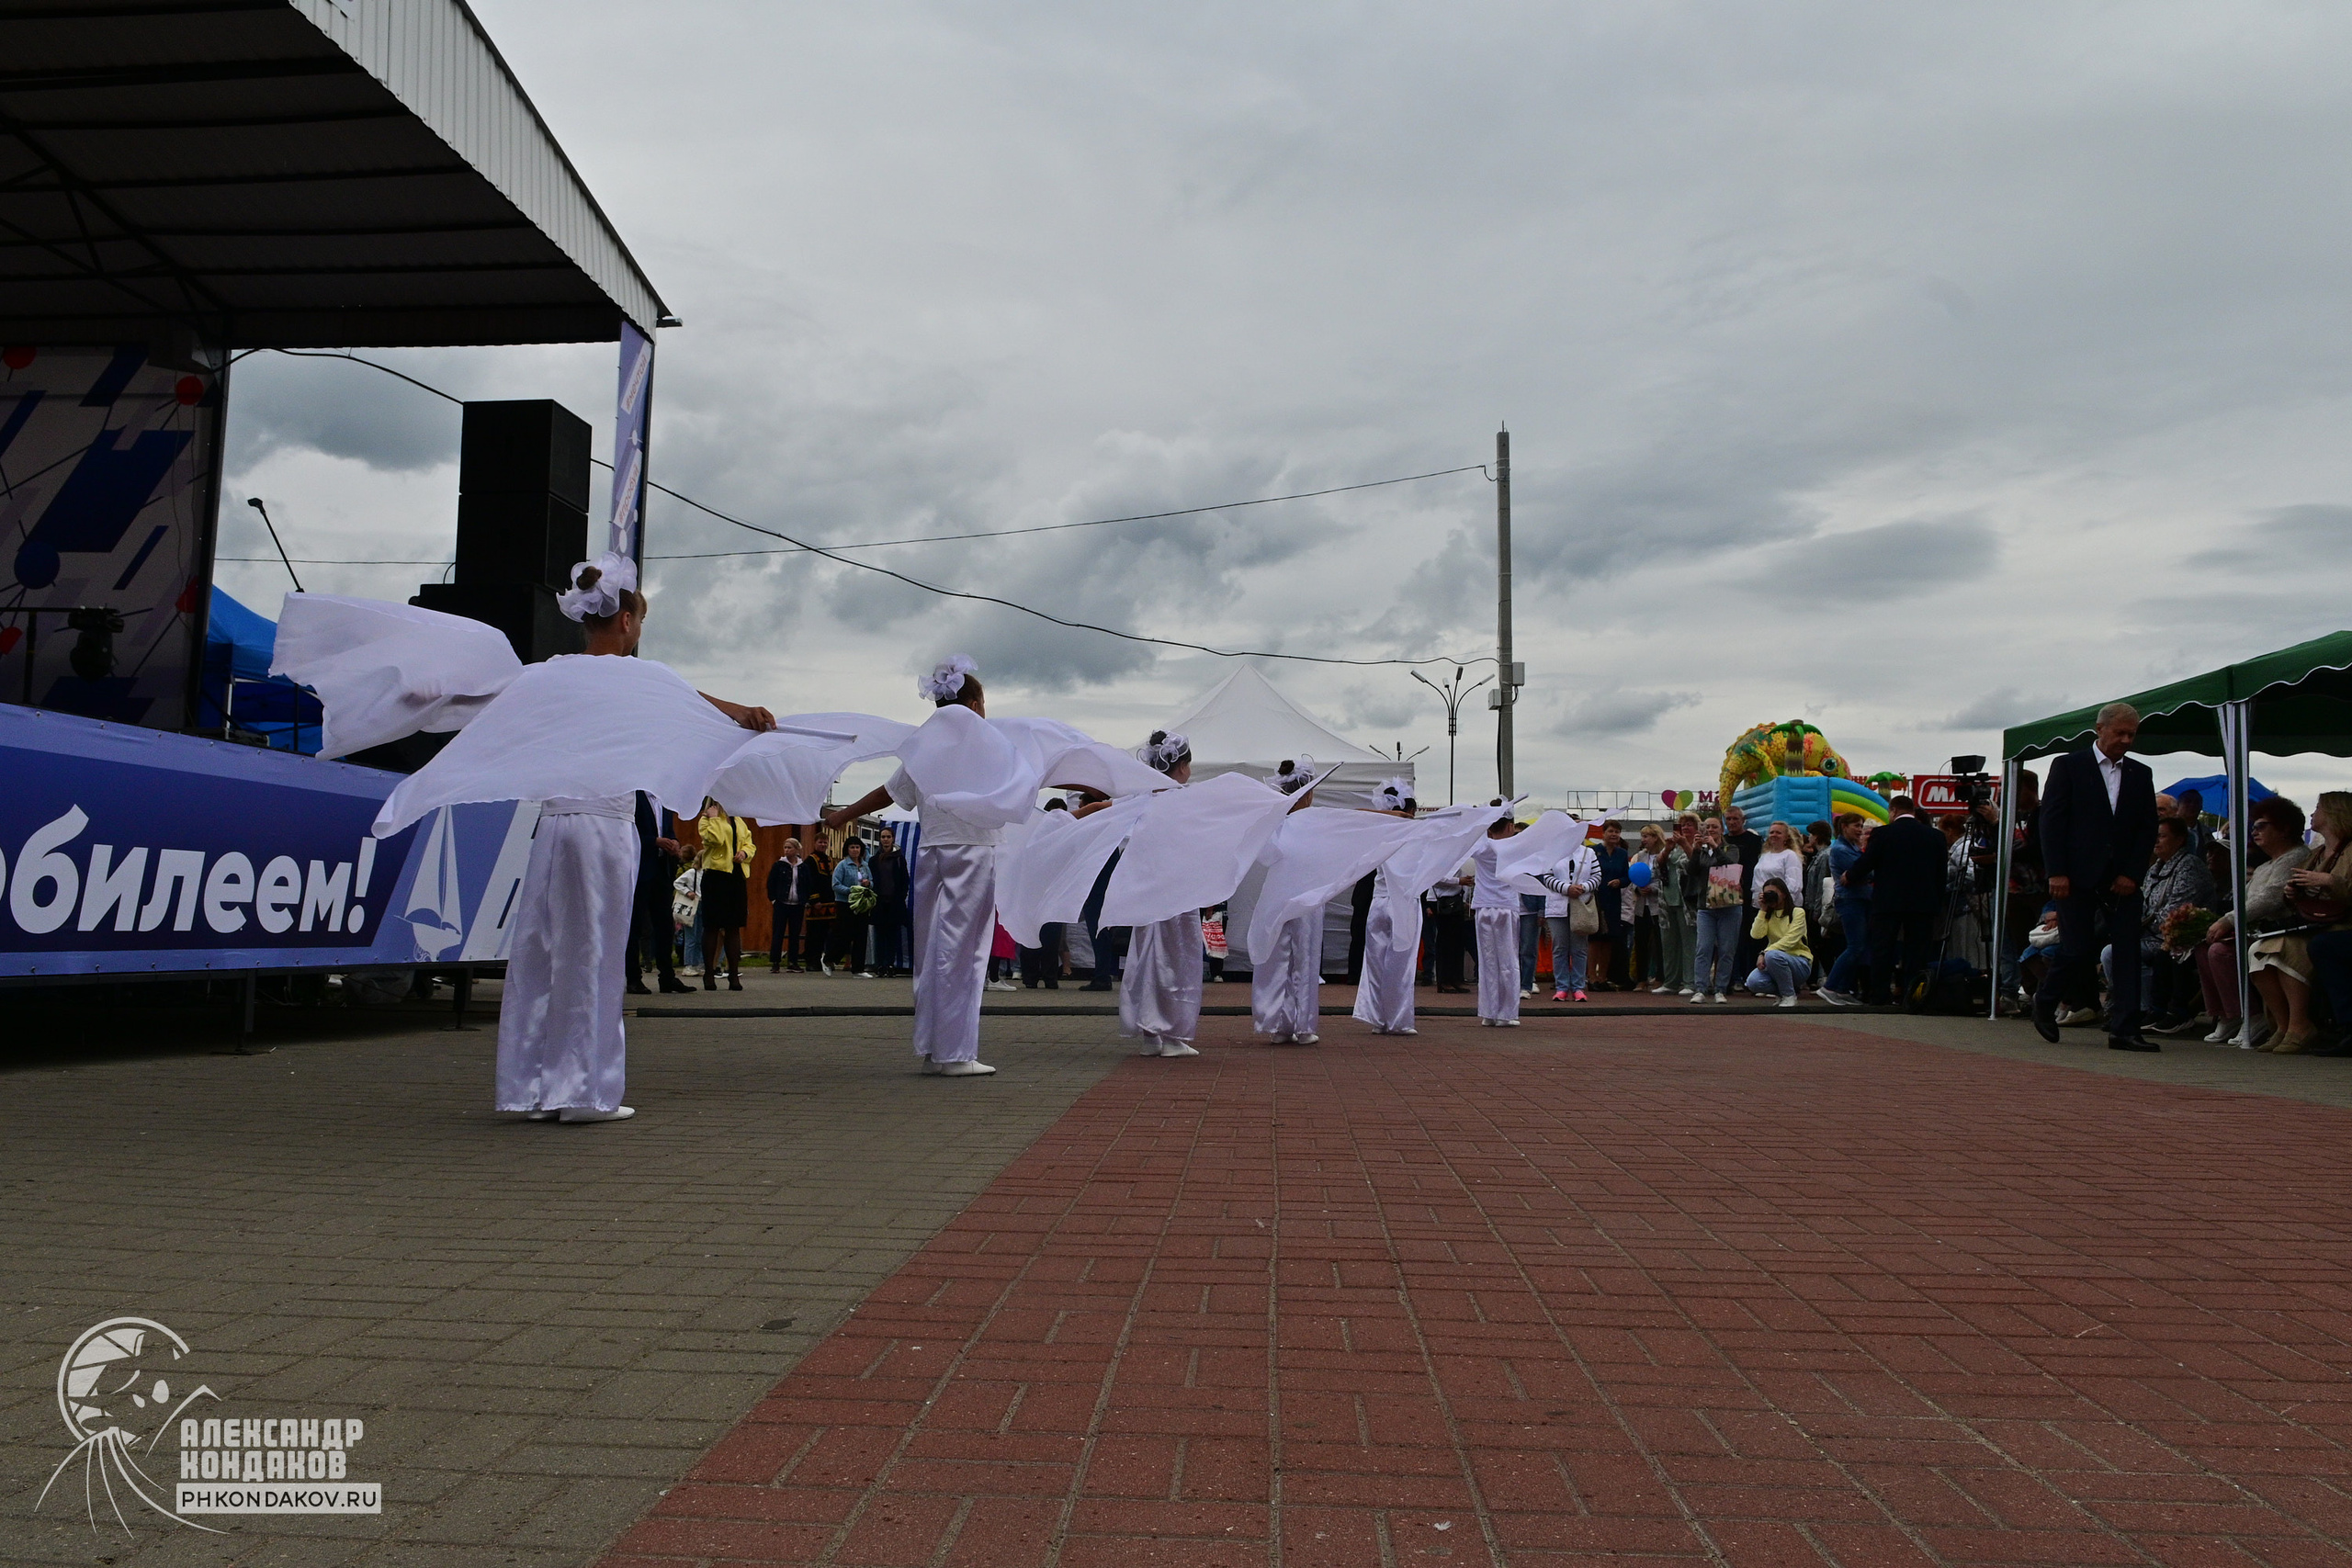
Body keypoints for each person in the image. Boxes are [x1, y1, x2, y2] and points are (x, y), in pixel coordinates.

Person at [498, 556, 773, 1122]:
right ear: (626, 621)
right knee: (593, 955)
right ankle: (585, 1093)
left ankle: (533, 1087)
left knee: (542, 952)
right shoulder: (643, 677)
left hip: (553, 828)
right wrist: (744, 712)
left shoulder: (553, 671)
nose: (640, 630)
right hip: (603, 829)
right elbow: (699, 707)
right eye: (641, 620)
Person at [824, 657, 1003, 1077]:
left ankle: (932, 1046)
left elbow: (888, 793)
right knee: (966, 953)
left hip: (931, 852)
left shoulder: (924, 746)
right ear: (976, 705)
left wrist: (842, 814)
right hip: (973, 850)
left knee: (932, 951)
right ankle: (956, 1052)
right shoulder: (989, 742)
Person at [2030, 703, 2160, 1050]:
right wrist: (2056, 871)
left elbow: (2148, 829)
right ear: (2099, 729)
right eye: (2120, 733)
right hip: (2075, 874)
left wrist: (2133, 872)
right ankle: (2045, 1000)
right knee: (2076, 948)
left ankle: (2126, 1028)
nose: (2126, 740)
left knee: (2127, 950)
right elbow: (2051, 822)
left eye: (2131, 734)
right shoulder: (2069, 766)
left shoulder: (2140, 774)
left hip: (2123, 880)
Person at [1120, 730, 1207, 1057]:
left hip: (1148, 892)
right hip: (1178, 892)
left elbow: (1128, 846)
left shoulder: (1141, 800)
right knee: (1177, 960)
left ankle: (1149, 1032)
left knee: (1146, 959)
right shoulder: (1184, 800)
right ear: (1182, 766)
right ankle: (1172, 1034)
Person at [1846, 795, 1948, 1009]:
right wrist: (1936, 902)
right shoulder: (1935, 836)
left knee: (1883, 950)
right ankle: (1913, 997)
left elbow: (1867, 862)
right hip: (1922, 903)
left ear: (1892, 811)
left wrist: (1849, 876)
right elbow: (1941, 874)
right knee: (1917, 952)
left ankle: (1880, 997)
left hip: (1888, 902)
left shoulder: (1882, 834)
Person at [1252, 758, 1326, 1043]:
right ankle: (1303, 1025)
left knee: (1277, 958)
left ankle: (1278, 1022)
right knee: (1304, 960)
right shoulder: (1313, 822)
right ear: (1307, 793)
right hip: (1306, 896)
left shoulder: (1274, 822)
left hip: (1277, 895)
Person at [1351, 780, 1424, 1035]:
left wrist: (1389, 816)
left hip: (1379, 902)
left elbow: (1356, 815)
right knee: (1401, 965)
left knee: (1375, 963)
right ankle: (1398, 1020)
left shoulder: (1380, 832)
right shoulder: (1417, 833)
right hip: (1403, 902)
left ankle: (1378, 1019)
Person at [2137, 817, 2218, 1033]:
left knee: (2165, 951)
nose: (2156, 841)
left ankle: (2172, 1012)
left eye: (2162, 836)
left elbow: (2177, 909)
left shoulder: (2189, 866)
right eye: (2154, 836)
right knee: (2114, 951)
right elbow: (2144, 903)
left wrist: (2144, 925)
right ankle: (2143, 1009)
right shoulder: (2155, 868)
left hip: (2186, 935)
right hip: (2155, 934)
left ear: (2180, 839)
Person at [2294, 791, 2352, 1055]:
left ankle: (2345, 1026)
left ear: (2334, 813)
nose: (2312, 812)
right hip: (2319, 924)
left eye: (2318, 807)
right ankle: (2298, 1025)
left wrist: (2330, 882)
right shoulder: (2316, 853)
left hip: (2341, 927)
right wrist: (2292, 894)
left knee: (2323, 946)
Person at [627, 793, 691, 995]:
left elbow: (670, 832)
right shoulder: (634, 798)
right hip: (640, 870)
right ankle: (633, 978)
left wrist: (674, 843)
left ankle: (667, 977)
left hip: (662, 871)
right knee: (635, 926)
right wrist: (654, 841)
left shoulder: (664, 801)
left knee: (665, 925)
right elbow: (628, 832)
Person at [1467, 815, 1525, 1026]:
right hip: (1506, 906)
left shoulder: (1481, 847)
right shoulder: (1515, 847)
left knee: (1488, 960)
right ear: (1510, 826)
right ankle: (1506, 1013)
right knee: (1508, 960)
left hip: (1484, 906)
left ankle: (1489, 1012)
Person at [695, 798, 755, 991]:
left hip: (736, 876)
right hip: (715, 876)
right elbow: (716, 840)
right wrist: (713, 819)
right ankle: (709, 973)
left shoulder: (738, 820)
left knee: (733, 926)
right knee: (712, 925)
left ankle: (733, 975)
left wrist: (745, 853)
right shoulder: (706, 819)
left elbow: (750, 843)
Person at [1815, 815, 1872, 1006]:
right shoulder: (1840, 849)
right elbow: (1864, 870)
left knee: (1859, 947)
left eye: (1862, 826)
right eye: (1856, 826)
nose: (1860, 829)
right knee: (1855, 946)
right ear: (1844, 827)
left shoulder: (1852, 847)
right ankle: (1830, 987)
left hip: (1859, 900)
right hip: (1850, 901)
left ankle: (1842, 989)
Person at [1539, 827, 1600, 1002]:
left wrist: (1584, 888)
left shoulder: (1589, 853)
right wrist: (1567, 889)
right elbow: (1547, 877)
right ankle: (1562, 987)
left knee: (1579, 948)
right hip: (1557, 907)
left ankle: (1579, 987)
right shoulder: (1552, 852)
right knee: (1560, 948)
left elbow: (1597, 876)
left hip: (1580, 906)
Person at [1688, 816, 1743, 1002]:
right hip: (1706, 906)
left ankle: (1720, 988)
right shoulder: (1702, 852)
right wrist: (1695, 851)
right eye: (1707, 827)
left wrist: (1715, 847)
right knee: (1703, 947)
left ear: (1721, 830)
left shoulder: (1731, 848)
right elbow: (1692, 872)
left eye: (1714, 827)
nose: (1710, 830)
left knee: (1727, 949)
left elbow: (1730, 865)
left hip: (1729, 905)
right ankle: (1700, 988)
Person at [1745, 876, 1811, 1007]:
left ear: (1784, 894)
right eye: (1767, 894)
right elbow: (1756, 935)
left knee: (1773, 955)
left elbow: (1790, 940)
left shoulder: (1797, 912)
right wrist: (1763, 909)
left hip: (1799, 962)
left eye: (1773, 893)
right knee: (1753, 982)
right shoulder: (1768, 915)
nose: (1770, 896)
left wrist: (1765, 953)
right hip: (1774, 961)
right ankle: (1783, 992)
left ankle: (1789, 996)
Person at [1752, 821, 1804, 983]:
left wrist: (1779, 901)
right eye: (1772, 832)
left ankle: (1787, 980)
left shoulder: (1790, 856)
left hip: (1783, 908)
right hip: (1763, 906)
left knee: (1782, 941)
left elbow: (1794, 884)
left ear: (1786, 837)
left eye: (1778, 833)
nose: (1774, 835)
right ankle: (1765, 978)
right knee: (1761, 939)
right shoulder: (1764, 856)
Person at [1722, 806, 1764, 988]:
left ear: (1743, 820)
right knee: (1730, 937)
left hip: (1748, 892)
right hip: (1726, 892)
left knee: (1749, 934)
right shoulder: (1722, 840)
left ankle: (1749, 975)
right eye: (1728, 819)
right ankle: (1732, 976)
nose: (1732, 822)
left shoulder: (1754, 840)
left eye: (1735, 819)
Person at [766, 836, 820, 973]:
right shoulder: (779, 865)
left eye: (790, 848)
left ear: (796, 849)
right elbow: (771, 883)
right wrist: (773, 900)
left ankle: (793, 961)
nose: (787, 850)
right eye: (785, 847)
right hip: (782, 903)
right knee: (778, 932)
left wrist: (806, 900)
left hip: (797, 904)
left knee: (795, 934)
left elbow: (808, 884)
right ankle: (775, 962)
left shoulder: (803, 867)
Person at [1655, 815, 1694, 996]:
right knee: (1669, 943)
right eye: (1683, 825)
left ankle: (1690, 983)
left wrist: (1686, 844)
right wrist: (1667, 850)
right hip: (1666, 900)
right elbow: (1656, 868)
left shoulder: (1698, 846)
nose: (1686, 828)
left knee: (1689, 944)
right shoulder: (1672, 847)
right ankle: (1670, 982)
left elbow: (1694, 865)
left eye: (1690, 825)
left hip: (1687, 902)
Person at [827, 835, 875, 977]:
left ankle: (858, 968)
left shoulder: (865, 865)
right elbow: (835, 885)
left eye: (857, 847)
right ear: (847, 850)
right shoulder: (842, 865)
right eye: (852, 847)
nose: (855, 850)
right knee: (845, 935)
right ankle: (829, 959)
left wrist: (868, 884)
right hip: (845, 903)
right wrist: (852, 890)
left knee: (861, 935)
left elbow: (872, 881)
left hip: (862, 904)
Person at [868, 829, 911, 976]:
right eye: (883, 837)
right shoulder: (874, 859)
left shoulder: (899, 859)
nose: (885, 840)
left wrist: (901, 896)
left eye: (888, 837)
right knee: (880, 935)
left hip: (894, 903)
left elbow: (905, 880)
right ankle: (880, 964)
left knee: (892, 935)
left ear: (893, 839)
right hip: (879, 903)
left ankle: (890, 964)